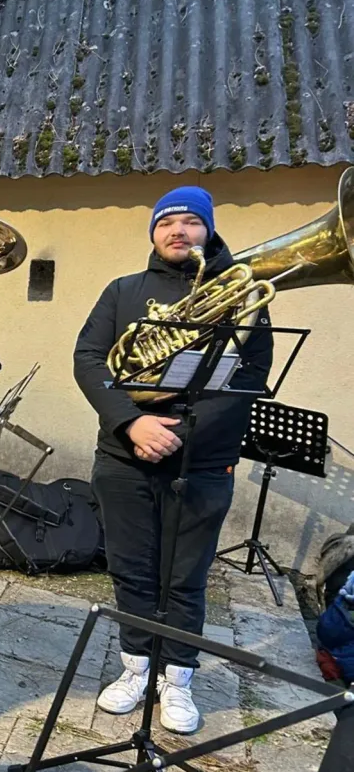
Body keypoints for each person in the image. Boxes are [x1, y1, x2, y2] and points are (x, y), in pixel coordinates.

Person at [74, 185, 272, 734]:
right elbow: (89, 359)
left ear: (208, 230)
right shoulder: (123, 291)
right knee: (131, 569)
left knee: (185, 576)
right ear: (154, 233)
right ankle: (136, 668)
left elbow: (252, 377)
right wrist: (132, 421)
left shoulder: (240, 296)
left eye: (190, 221)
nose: (178, 230)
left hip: (202, 462)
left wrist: (180, 432)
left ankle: (178, 677)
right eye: (167, 222)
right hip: (123, 455)